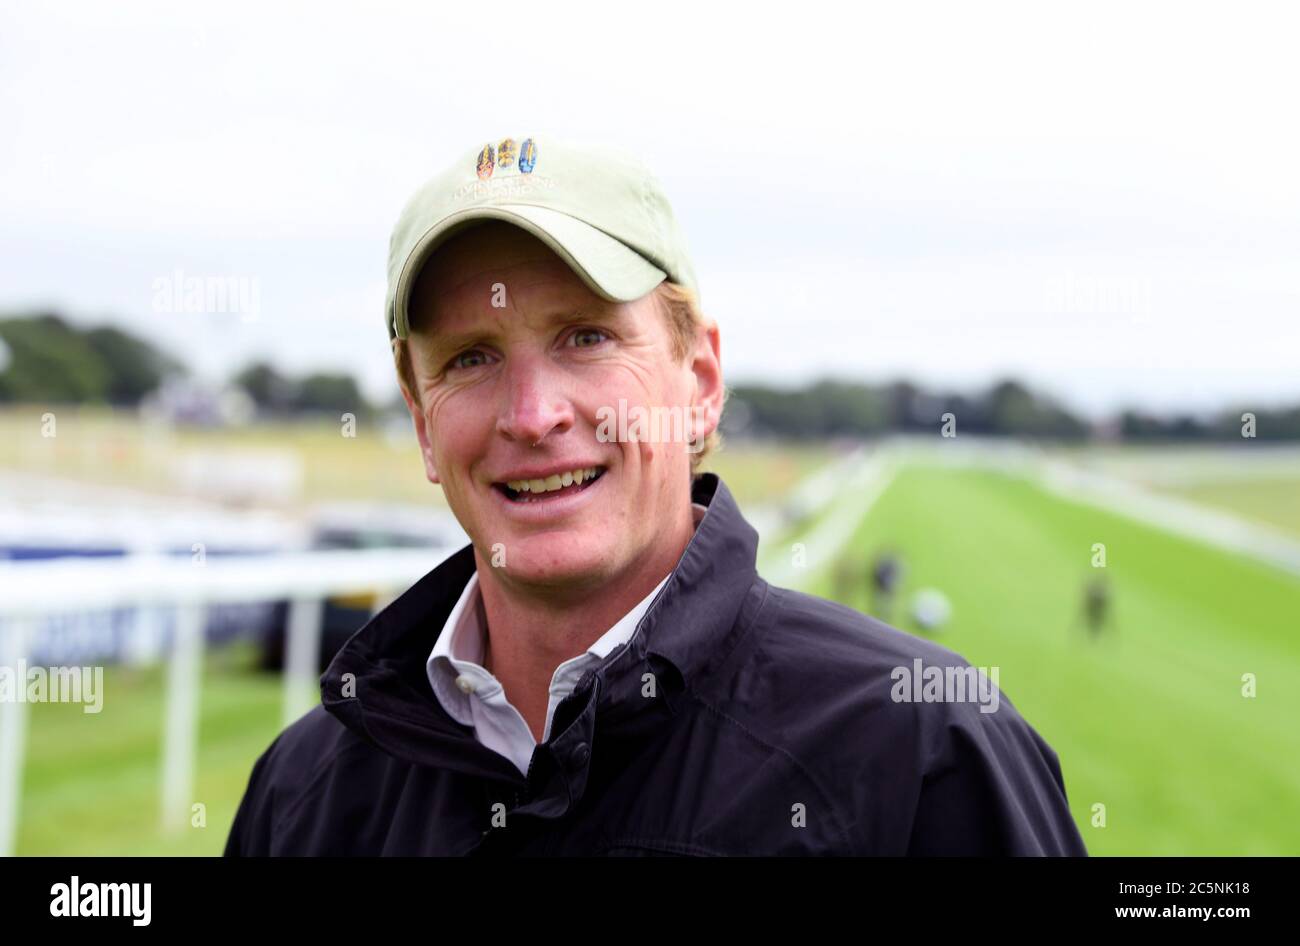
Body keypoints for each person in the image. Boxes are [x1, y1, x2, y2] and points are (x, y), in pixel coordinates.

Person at [225, 135, 1087, 856]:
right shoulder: (303, 791)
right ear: (421, 421)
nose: (532, 416)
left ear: (700, 380)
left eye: (587, 336)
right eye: (470, 359)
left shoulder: (924, 752)